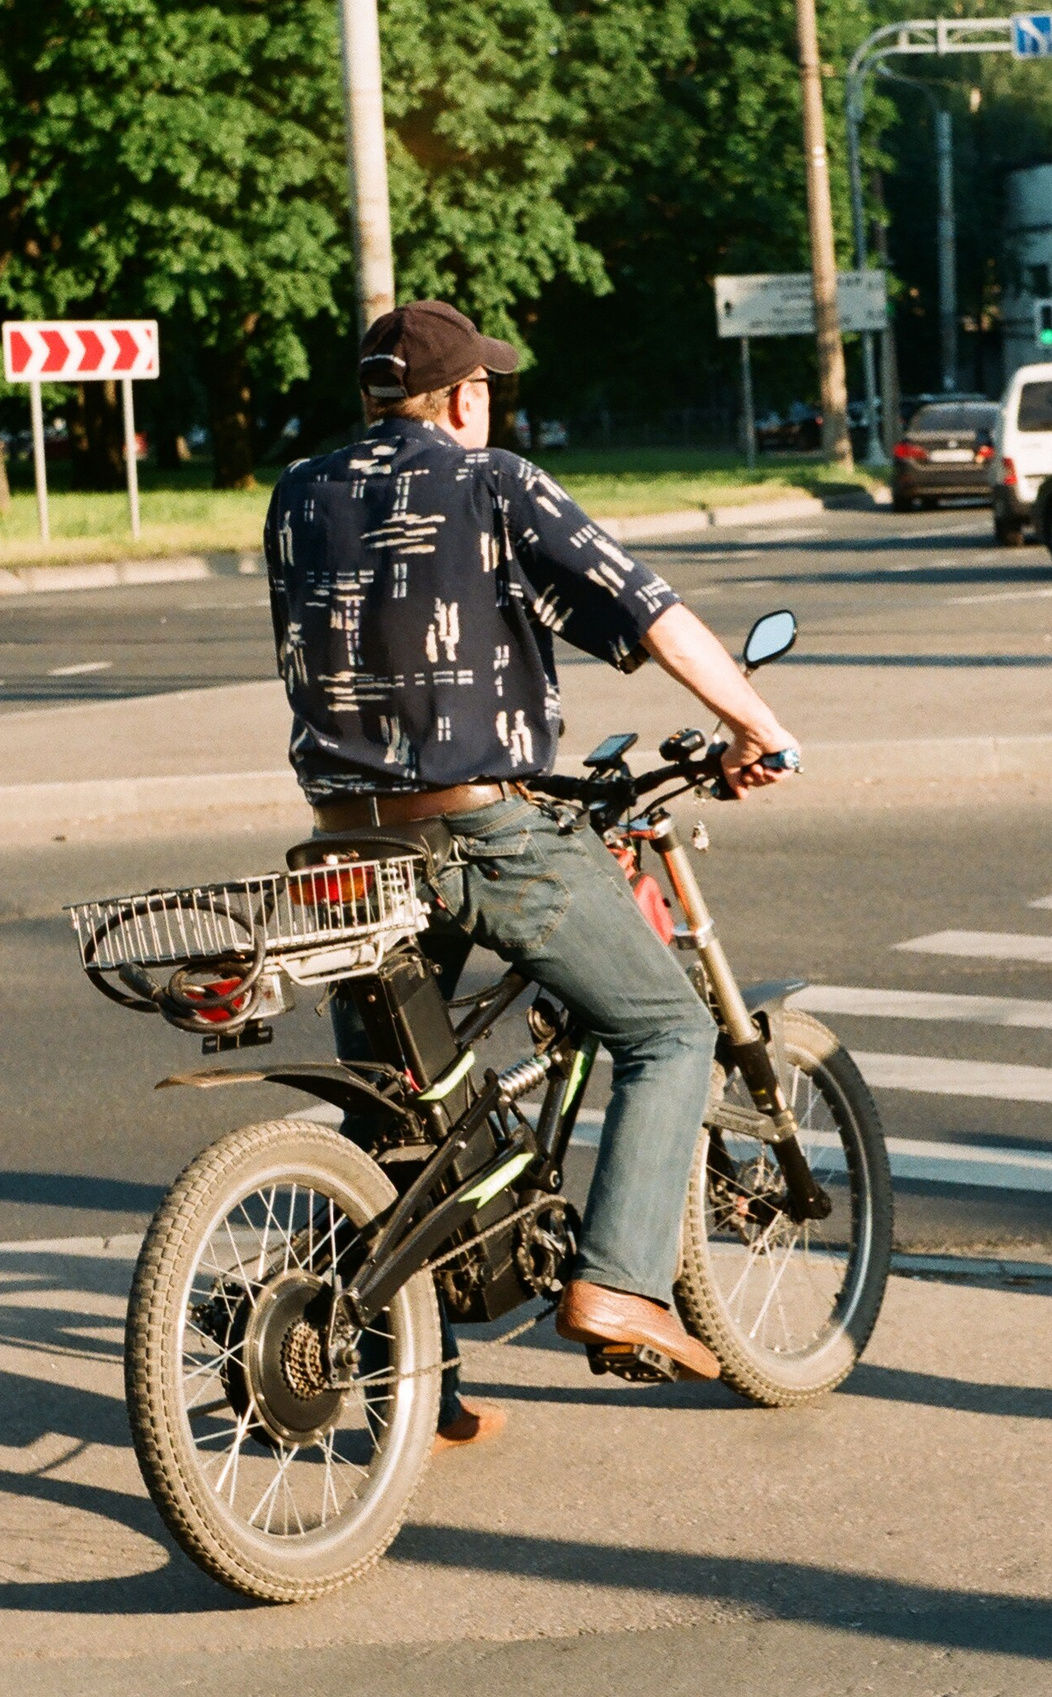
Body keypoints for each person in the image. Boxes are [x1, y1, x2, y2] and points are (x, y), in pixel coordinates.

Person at [263, 300, 802, 1444]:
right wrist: (757, 723)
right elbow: (650, 615)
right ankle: (617, 1282)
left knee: (410, 1110)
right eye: (486, 389)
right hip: (478, 826)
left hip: (342, 843)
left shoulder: (296, 494)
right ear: (465, 397)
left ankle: (416, 1381)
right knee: (667, 1029)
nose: (489, 403)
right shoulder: (492, 481)